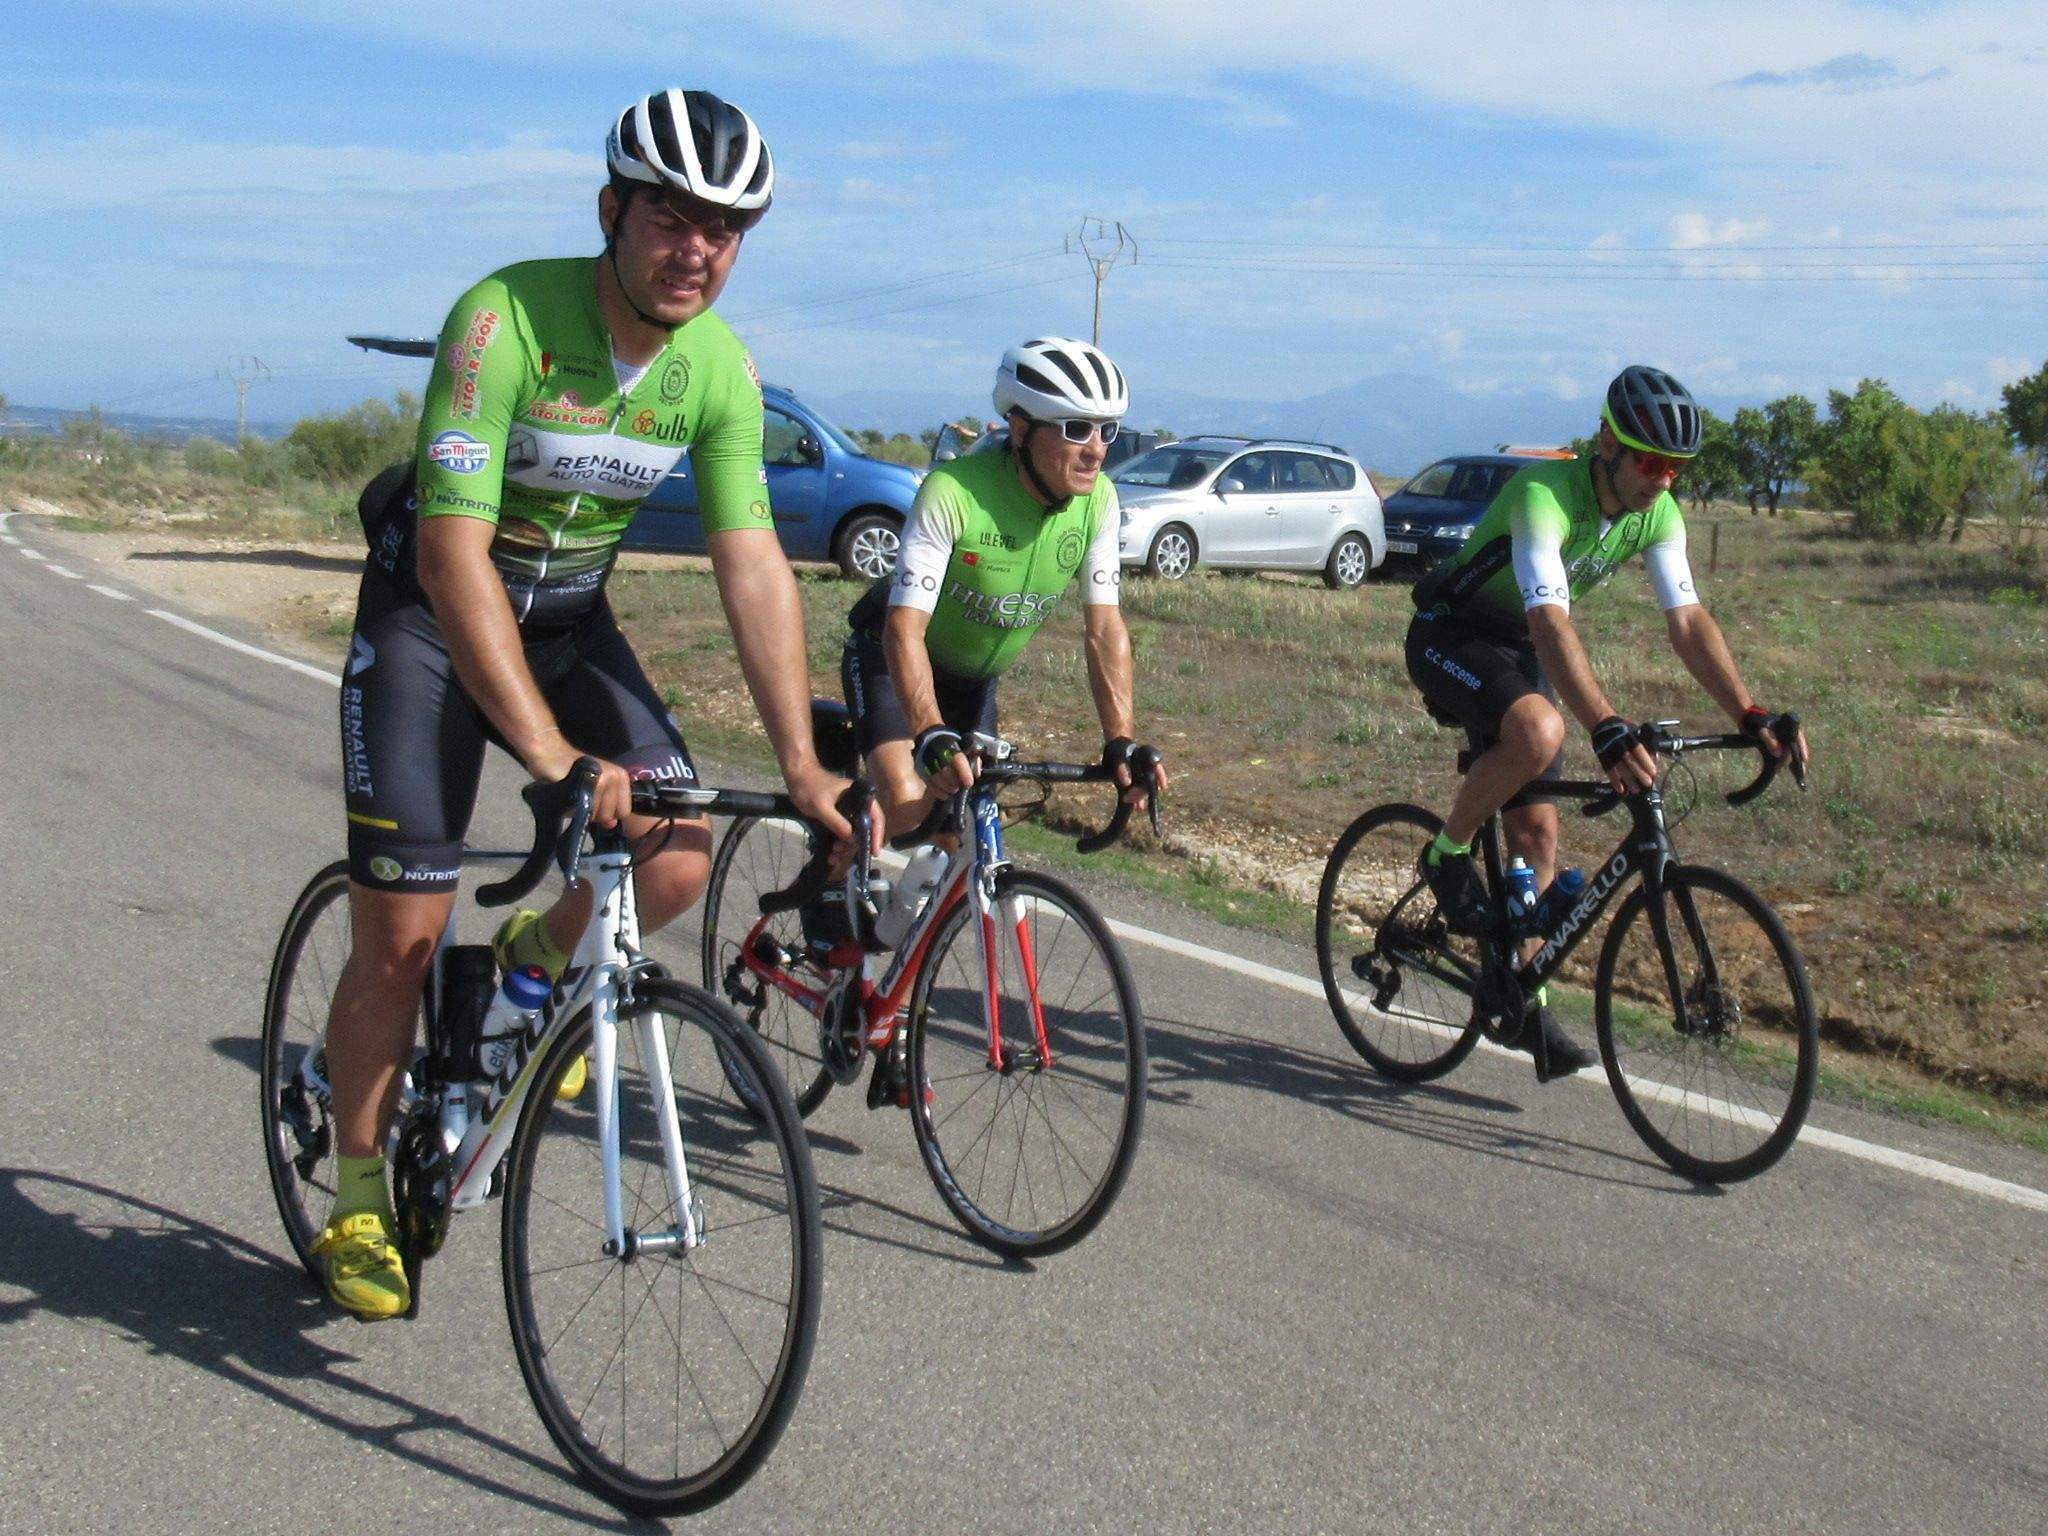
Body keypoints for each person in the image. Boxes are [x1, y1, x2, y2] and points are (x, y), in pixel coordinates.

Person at [318, 88, 853, 1319]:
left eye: (726, 229)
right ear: (611, 208)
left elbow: (751, 561)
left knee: (670, 858)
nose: (696, 251)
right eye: (672, 217)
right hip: (430, 623)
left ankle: (524, 965)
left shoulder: (715, 366)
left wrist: (803, 762)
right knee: (399, 937)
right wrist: (555, 755)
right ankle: (355, 1192)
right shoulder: (501, 320)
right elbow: (454, 555)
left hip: (565, 621)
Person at [1405, 365, 1809, 1079]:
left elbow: (1686, 621)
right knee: (1539, 732)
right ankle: (1446, 853)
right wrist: (1604, 724)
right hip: (1452, 634)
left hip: (1520, 648)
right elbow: (1550, 618)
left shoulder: (1657, 513)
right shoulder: (1543, 494)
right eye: (1651, 462)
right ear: (1607, 444)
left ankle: (1521, 998)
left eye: (1677, 469)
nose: (1662, 480)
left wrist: (1747, 712)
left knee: (1538, 833)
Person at [840, 334, 1168, 879]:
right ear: (1020, 429)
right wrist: (927, 733)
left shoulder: (1099, 503)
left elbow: (1104, 628)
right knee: (906, 803)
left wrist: (1120, 740)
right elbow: (904, 629)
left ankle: (919, 939)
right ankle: (843, 835)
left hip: (973, 682)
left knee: (962, 828)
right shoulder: (953, 491)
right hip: (889, 657)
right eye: (1075, 428)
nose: (1096, 448)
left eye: (1107, 430)